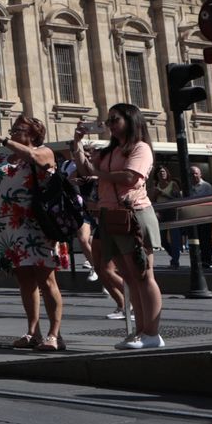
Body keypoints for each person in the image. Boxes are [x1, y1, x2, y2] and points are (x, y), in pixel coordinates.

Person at [0, 117, 64, 351]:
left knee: (47, 281)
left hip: (38, 226)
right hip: (9, 228)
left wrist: (1, 138)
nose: (13, 133)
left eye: (19, 130)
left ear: (33, 135)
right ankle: (33, 332)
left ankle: (54, 334)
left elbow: (36, 159)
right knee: (25, 281)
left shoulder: (43, 152)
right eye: (13, 130)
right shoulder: (1, 159)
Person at [73, 104, 163, 349]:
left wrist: (97, 173)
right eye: (109, 119)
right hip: (111, 216)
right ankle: (141, 332)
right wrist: (78, 144)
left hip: (133, 216)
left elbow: (130, 178)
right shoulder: (111, 151)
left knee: (144, 275)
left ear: (130, 120)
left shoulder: (140, 148)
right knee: (130, 278)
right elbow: (84, 170)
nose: (110, 124)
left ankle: (152, 333)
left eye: (115, 119)